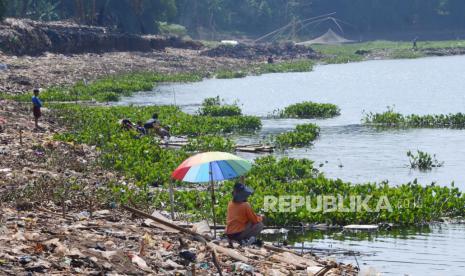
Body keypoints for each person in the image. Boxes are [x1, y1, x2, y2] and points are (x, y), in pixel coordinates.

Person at [226, 179, 263, 246]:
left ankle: (243, 239)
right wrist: (261, 217)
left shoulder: (230, 203)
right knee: (260, 225)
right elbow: (255, 220)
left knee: (249, 221)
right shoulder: (246, 205)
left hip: (229, 234)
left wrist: (254, 215)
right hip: (237, 235)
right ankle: (244, 239)